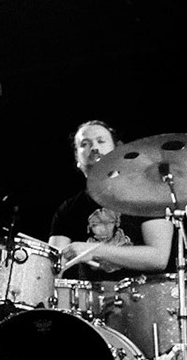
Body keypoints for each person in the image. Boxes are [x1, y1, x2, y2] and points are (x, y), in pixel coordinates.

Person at [47, 119, 175, 278]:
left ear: (117, 151)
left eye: (101, 141)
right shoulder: (68, 210)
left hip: (142, 298)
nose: (94, 148)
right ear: (76, 158)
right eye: (85, 144)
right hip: (90, 300)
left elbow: (158, 258)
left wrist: (95, 250)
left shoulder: (147, 195)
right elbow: (53, 269)